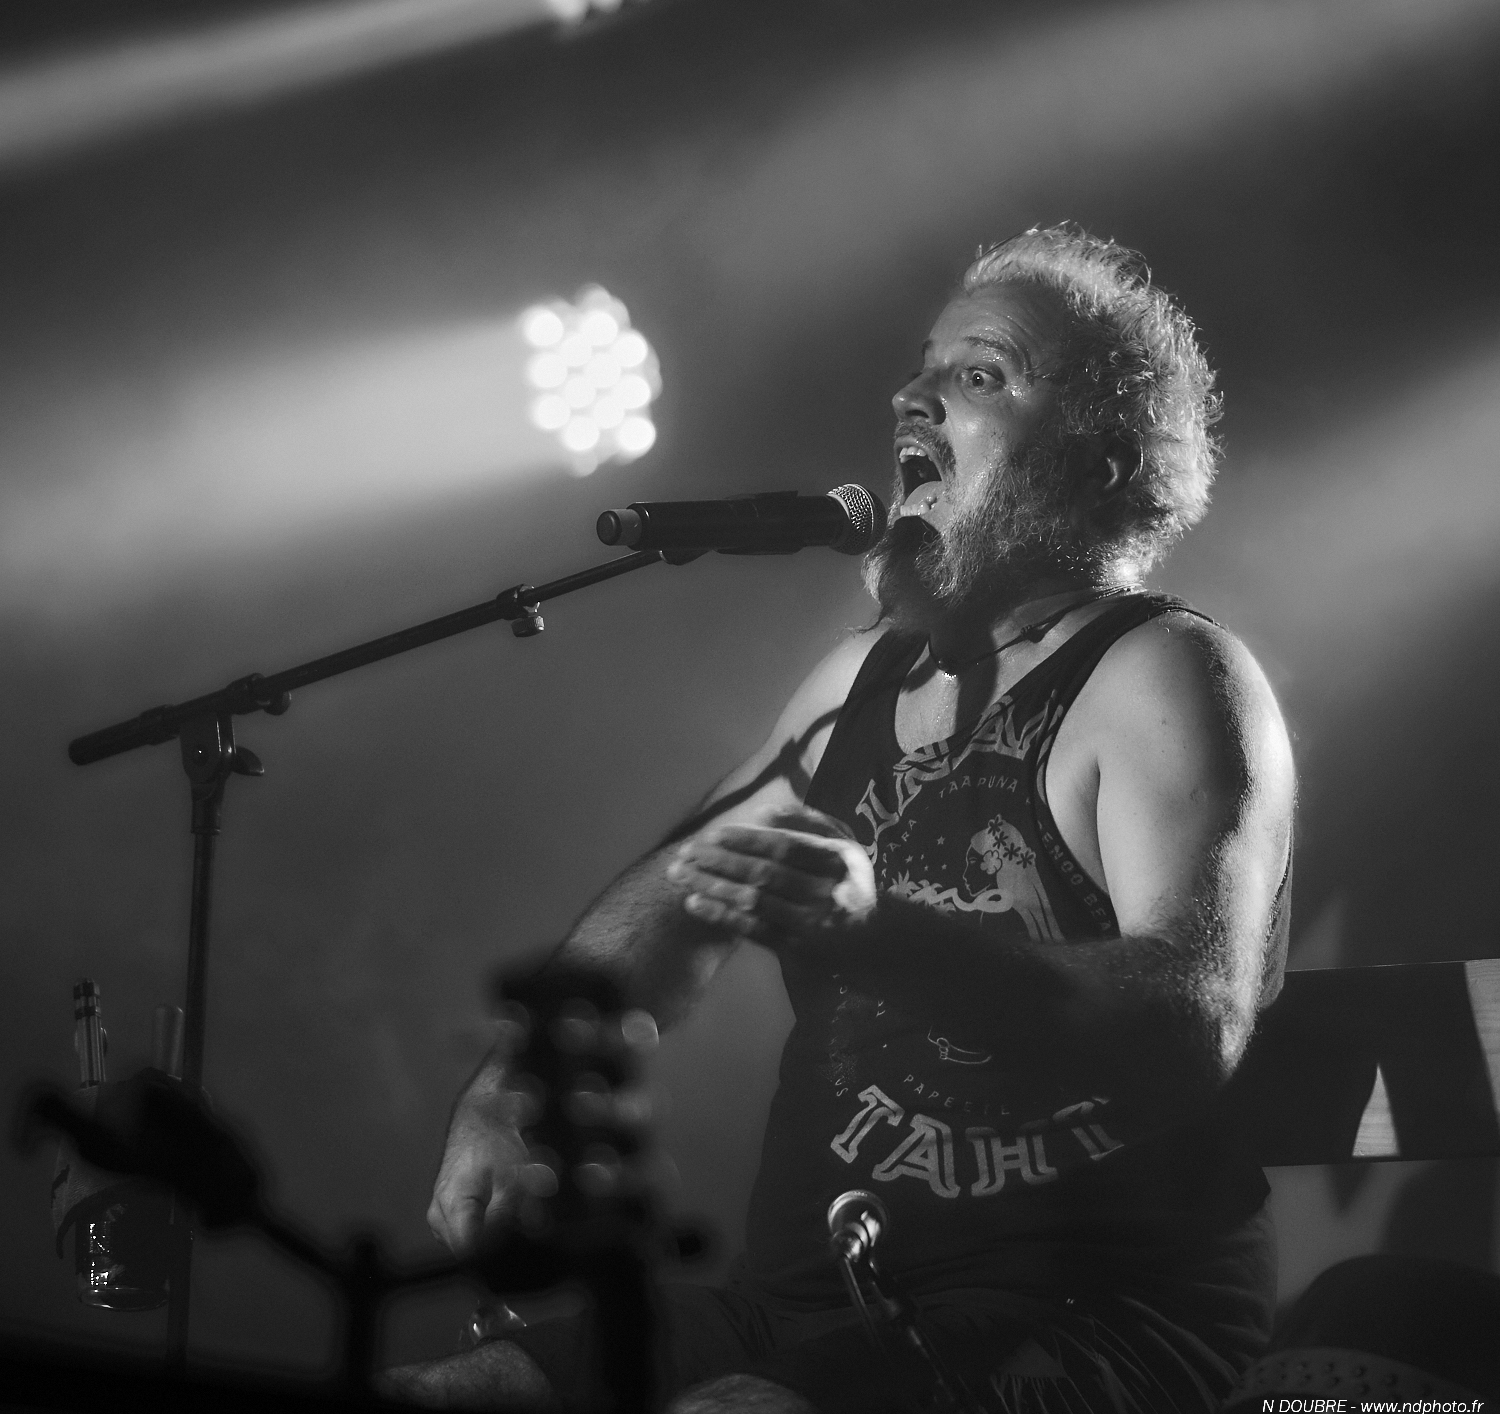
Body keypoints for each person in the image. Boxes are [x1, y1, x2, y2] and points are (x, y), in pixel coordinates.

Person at [394, 224, 1296, 1413]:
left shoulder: (1165, 673)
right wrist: (516, 1085)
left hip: (1088, 1309)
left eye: (981, 374)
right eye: (922, 371)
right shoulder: (859, 681)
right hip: (812, 1304)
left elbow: (1192, 1016)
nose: (911, 398)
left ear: (1102, 457)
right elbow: (677, 894)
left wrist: (882, 936)